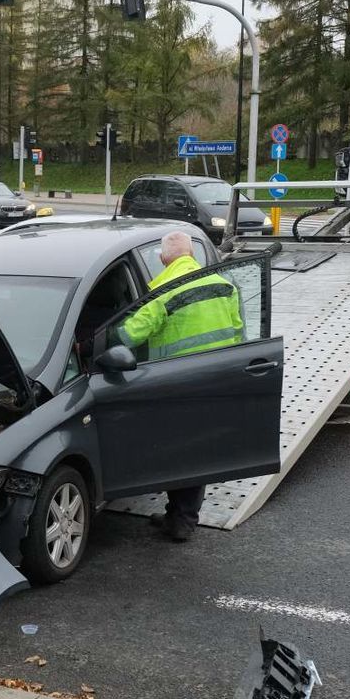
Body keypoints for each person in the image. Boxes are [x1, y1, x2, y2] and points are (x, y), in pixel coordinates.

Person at [118, 230, 243, 542]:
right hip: (218, 378)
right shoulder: (224, 285)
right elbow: (239, 332)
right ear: (192, 256)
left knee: (177, 448)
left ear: (163, 259)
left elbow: (129, 336)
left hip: (177, 381)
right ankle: (181, 516)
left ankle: (181, 520)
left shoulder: (163, 291)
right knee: (197, 448)